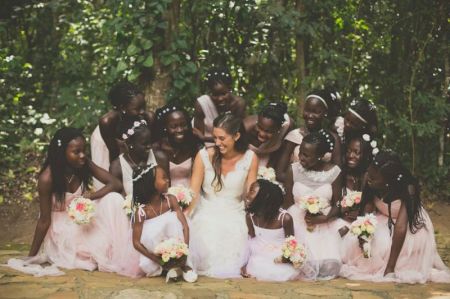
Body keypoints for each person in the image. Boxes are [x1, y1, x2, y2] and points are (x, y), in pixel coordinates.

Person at [8, 128, 141, 277]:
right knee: (97, 249)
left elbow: (115, 183)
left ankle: (127, 249)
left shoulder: (83, 164)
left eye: (84, 150)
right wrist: (31, 256)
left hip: (85, 216)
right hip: (62, 228)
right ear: (61, 153)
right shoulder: (47, 179)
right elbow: (44, 220)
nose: (82, 155)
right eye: (76, 152)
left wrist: (91, 197)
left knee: (114, 199)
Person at [340, 150, 450, 283]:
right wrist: (363, 234)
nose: (369, 178)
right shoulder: (369, 179)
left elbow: (401, 227)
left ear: (388, 181)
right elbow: (366, 210)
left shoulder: (408, 188)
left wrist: (390, 268)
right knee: (361, 243)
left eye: (374, 178)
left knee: (385, 246)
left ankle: (393, 264)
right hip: (384, 218)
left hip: (407, 224)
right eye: (369, 173)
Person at [188, 113, 258, 278]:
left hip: (236, 210)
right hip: (207, 208)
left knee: (236, 230)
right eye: (214, 138)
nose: (217, 143)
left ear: (237, 136)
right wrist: (184, 218)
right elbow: (193, 192)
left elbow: (250, 197)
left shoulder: (250, 158)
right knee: (205, 228)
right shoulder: (204, 155)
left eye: (222, 138)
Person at [284, 130, 344, 279]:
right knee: (296, 260)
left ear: (320, 156)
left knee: (330, 265)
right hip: (298, 221)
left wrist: (325, 218)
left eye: (306, 155)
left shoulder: (335, 172)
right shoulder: (293, 170)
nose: (301, 157)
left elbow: (338, 204)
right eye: (301, 152)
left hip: (325, 224)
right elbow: (287, 203)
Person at [242, 179, 319, 281]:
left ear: (264, 197)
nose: (247, 195)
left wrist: (286, 258)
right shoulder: (250, 216)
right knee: (256, 268)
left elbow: (291, 245)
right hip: (259, 255)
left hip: (279, 256)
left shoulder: (285, 218)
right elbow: (251, 240)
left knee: (279, 272)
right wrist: (245, 262)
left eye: (252, 191)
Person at [131, 164, 197, 282]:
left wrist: (184, 252)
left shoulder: (170, 200)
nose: (168, 180)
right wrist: (158, 260)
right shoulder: (141, 212)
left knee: (172, 220)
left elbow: (185, 227)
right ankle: (167, 268)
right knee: (151, 231)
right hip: (155, 251)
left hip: (177, 245)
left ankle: (183, 265)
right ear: (151, 184)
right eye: (164, 178)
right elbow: (136, 242)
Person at [91, 81, 155, 190]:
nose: (142, 111)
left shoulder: (147, 117)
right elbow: (114, 152)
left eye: (144, 106)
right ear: (123, 108)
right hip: (109, 148)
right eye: (137, 109)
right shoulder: (108, 122)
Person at [276, 89, 341, 182]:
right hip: (296, 187)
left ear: (325, 113)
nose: (310, 115)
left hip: (323, 189)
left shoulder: (333, 138)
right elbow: (280, 173)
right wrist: (305, 184)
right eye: (307, 110)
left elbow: (337, 173)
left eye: (316, 112)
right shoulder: (294, 136)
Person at [109, 119, 169, 197]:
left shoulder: (160, 158)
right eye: (144, 144)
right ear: (130, 143)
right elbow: (116, 199)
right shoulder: (117, 167)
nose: (149, 146)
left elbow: (167, 189)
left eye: (150, 142)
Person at [193, 67, 246, 147]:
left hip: (228, 144)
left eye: (224, 94)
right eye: (215, 95)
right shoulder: (202, 104)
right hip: (207, 145)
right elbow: (198, 137)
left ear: (230, 89)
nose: (220, 99)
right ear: (210, 92)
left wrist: (205, 138)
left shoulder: (238, 104)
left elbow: (238, 135)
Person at [153, 105, 204, 187]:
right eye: (174, 126)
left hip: (192, 192)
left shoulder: (193, 145)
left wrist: (203, 138)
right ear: (165, 127)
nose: (180, 130)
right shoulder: (158, 148)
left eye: (183, 125)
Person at [244, 102, 294, 167]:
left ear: (278, 129)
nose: (262, 134)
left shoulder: (286, 127)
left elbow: (279, 153)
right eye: (259, 127)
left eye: (268, 131)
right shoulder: (246, 128)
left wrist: (269, 171)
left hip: (267, 160)